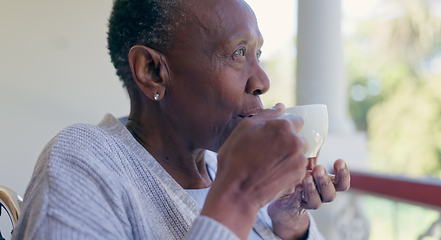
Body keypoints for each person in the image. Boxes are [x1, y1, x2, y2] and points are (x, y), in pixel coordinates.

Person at [12, 0, 350, 239]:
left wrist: (288, 225)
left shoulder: (223, 167)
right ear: (152, 71)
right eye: (238, 53)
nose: (261, 81)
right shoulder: (84, 160)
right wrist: (239, 197)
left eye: (257, 54)